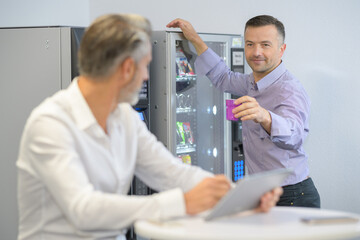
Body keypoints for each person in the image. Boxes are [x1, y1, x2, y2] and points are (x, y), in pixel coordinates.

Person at [16, 14, 282, 240]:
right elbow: (83, 209)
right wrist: (181, 203)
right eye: (145, 67)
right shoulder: (51, 124)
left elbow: (172, 172)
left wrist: (240, 197)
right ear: (126, 69)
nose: (146, 76)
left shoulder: (125, 119)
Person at [167, 15, 320, 208]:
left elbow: (296, 135)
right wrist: (195, 39)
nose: (256, 52)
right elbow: (223, 77)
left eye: (265, 45)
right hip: (263, 194)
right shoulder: (250, 83)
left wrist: (264, 116)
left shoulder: (289, 90)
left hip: (292, 196)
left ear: (282, 49)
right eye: (250, 44)